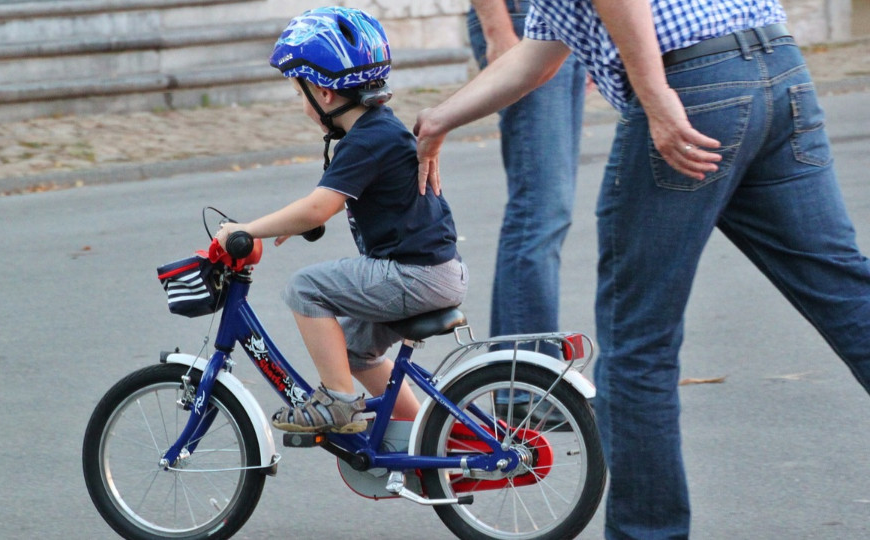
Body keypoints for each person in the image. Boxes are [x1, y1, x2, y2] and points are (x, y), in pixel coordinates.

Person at [413, 0, 870, 538]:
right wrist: (440, 118)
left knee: (638, 345)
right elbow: (541, 55)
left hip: (690, 83)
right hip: (777, 66)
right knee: (843, 291)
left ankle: (646, 532)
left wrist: (654, 97)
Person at [216, 6, 469, 434]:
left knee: (305, 288)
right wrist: (292, 225)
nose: (302, 103)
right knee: (353, 351)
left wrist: (246, 229)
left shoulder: (367, 141)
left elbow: (319, 207)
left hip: (414, 275)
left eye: (300, 93)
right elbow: (327, 205)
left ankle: (337, 401)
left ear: (324, 93)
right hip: (432, 271)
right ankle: (417, 433)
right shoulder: (376, 131)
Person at [467, 0, 585, 357]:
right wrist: (496, 27)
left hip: (568, 23)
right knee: (540, 211)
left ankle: (514, 379)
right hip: (522, 22)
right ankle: (529, 381)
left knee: (544, 212)